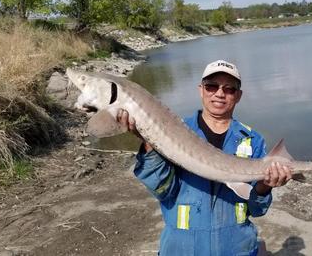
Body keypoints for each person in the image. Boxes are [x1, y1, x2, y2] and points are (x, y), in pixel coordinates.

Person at [118, 60, 292, 255]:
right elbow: (163, 191)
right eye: (211, 86)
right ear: (201, 89)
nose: (219, 94)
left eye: (229, 89)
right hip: (181, 249)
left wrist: (265, 186)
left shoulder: (253, 140)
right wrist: (150, 140)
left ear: (239, 96)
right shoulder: (172, 130)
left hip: (236, 249)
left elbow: (257, 210)